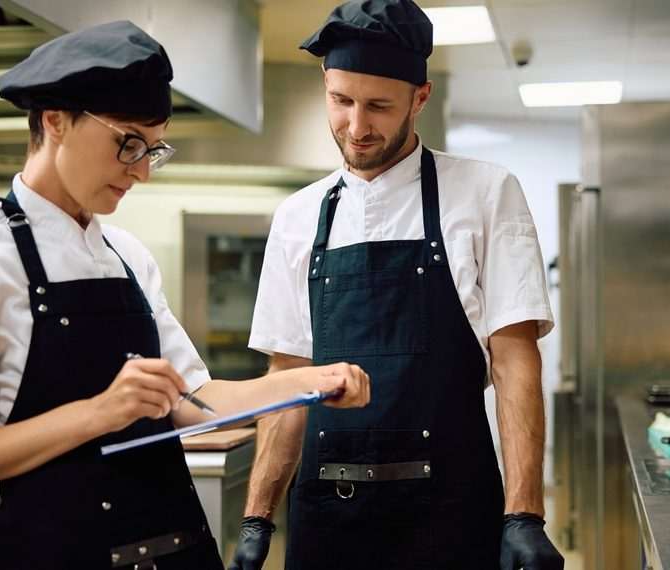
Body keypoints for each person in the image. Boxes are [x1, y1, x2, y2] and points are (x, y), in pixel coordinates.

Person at [0, 20, 369, 570]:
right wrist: (99, 412)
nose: (142, 171)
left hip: (177, 551)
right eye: (128, 144)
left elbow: (193, 403)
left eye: (153, 148)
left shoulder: (127, 256)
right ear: (55, 121)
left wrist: (307, 381)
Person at [227, 1, 565, 569]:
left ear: (420, 97)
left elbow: (514, 360)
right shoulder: (297, 215)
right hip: (328, 516)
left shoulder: (486, 193)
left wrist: (524, 514)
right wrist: (257, 518)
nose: (357, 127)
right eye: (341, 101)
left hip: (451, 512)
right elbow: (288, 376)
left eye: (379, 106)